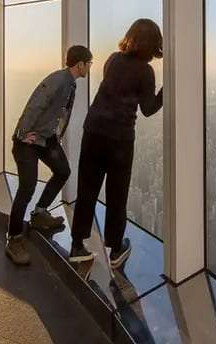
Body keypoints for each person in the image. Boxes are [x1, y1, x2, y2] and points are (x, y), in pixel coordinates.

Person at [69, 19, 163, 268]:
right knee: (117, 193)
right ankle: (115, 248)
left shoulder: (112, 59)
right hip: (119, 139)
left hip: (93, 131)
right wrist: (167, 90)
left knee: (86, 189)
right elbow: (148, 109)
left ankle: (77, 245)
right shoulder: (145, 71)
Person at [5, 45, 93, 265]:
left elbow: (57, 113)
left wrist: (55, 136)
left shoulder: (70, 82)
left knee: (62, 171)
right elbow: (36, 105)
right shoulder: (59, 80)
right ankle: (13, 238)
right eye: (89, 63)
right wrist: (22, 134)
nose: (90, 67)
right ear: (80, 64)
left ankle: (40, 213)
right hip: (28, 142)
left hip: (46, 139)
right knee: (27, 187)